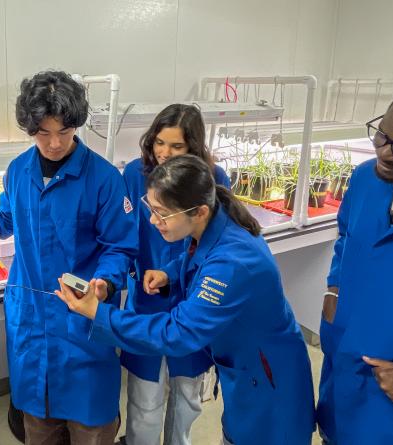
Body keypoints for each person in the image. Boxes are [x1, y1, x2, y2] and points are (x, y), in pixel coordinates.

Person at [0, 70, 137, 445]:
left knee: (91, 426)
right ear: (30, 128)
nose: (53, 143)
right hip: (31, 317)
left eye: (63, 133)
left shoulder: (103, 179)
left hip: (81, 319)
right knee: (38, 423)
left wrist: (104, 283)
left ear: (75, 126)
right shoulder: (18, 171)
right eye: (43, 133)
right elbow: (4, 221)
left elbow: (120, 246)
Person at [56, 155, 315, 445]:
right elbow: (196, 256)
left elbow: (177, 333)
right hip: (249, 370)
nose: (153, 221)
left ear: (199, 211)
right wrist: (170, 274)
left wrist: (98, 313)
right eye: (151, 209)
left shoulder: (232, 263)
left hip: (269, 383)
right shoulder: (216, 222)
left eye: (162, 213)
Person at [317, 80, 393, 444]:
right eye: (381, 135)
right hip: (343, 371)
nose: (385, 153)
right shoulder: (366, 179)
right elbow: (346, 238)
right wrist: (333, 290)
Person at [120, 104, 230, 445]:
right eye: (158, 143)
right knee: (145, 400)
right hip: (149, 299)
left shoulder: (214, 179)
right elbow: (126, 234)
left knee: (186, 399)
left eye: (176, 146)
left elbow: (216, 243)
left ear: (194, 147)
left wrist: (171, 272)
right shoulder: (135, 175)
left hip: (195, 301)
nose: (164, 153)